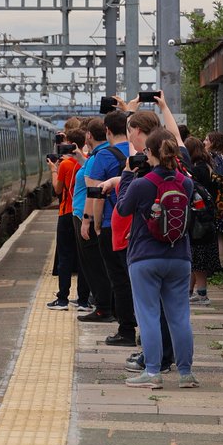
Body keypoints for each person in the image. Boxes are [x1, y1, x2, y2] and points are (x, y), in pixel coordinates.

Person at [113, 127, 198, 389]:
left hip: (145, 258)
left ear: (149, 153)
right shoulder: (186, 182)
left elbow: (123, 208)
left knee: (148, 315)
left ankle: (152, 372)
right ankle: (185, 373)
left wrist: (127, 175)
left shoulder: (141, 183)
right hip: (179, 257)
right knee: (180, 316)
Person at [81, 110, 136, 345]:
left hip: (111, 224)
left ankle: (125, 330)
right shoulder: (139, 154)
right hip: (137, 226)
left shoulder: (102, 157)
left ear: (107, 130)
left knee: (119, 280)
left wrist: (91, 223)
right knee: (135, 279)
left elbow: (95, 195)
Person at [47, 128, 90, 310]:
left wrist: (53, 169)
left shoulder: (65, 165)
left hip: (66, 213)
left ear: (71, 144)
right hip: (82, 213)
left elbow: (58, 189)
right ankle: (83, 300)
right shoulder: (87, 162)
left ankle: (63, 298)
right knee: (83, 258)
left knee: (65, 256)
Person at [74, 119, 113, 318]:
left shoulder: (100, 156)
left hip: (90, 216)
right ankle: (105, 305)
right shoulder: (101, 154)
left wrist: (88, 221)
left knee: (94, 265)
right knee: (99, 264)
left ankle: (103, 308)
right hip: (96, 216)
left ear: (89, 135)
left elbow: (93, 191)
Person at [184, 136, 221, 303]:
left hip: (199, 217)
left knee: (198, 257)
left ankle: (201, 293)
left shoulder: (196, 170)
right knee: (197, 257)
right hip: (208, 216)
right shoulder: (207, 166)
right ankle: (191, 291)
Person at [205, 130, 223, 268]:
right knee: (220, 235)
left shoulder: (210, 158)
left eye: (207, 140)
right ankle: (221, 265)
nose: (204, 142)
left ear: (213, 143)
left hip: (213, 200)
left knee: (211, 234)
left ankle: (212, 264)